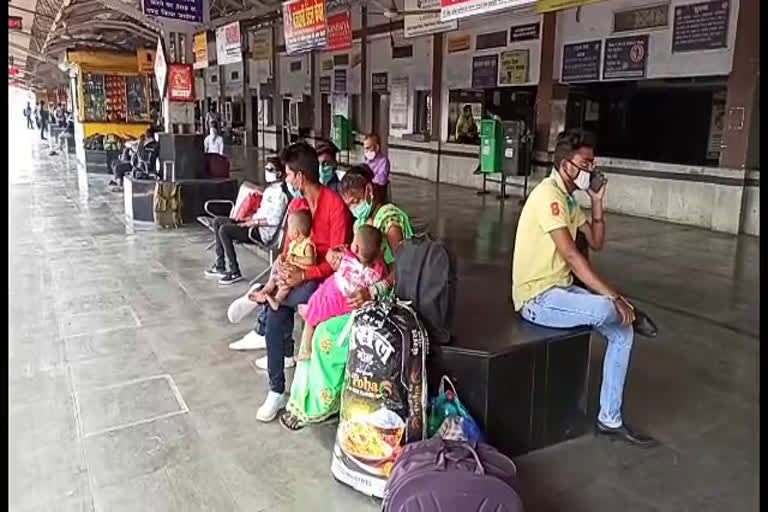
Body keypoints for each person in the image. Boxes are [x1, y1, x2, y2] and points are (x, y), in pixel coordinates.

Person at [511, 128, 655, 447]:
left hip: (561, 292)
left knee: (622, 332)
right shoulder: (548, 196)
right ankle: (628, 309)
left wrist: (597, 201)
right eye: (586, 163)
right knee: (606, 307)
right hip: (537, 297)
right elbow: (573, 256)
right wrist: (616, 298)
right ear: (566, 164)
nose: (592, 169)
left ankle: (609, 419)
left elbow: (597, 242)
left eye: (593, 163)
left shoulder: (568, 199)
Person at [279, 164, 413, 431]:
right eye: (349, 204)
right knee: (318, 323)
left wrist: (373, 291)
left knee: (326, 337)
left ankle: (320, 405)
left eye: (355, 201)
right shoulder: (364, 222)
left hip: (383, 299)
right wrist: (340, 257)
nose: (353, 208)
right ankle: (304, 401)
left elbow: (403, 269)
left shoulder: (390, 221)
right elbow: (358, 256)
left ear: (369, 191)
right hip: (359, 294)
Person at [227, 142, 352, 422]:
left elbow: (337, 263)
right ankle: (276, 387)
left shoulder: (335, 208)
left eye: (288, 174)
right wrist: (281, 267)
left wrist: (304, 274)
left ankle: (276, 388)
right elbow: (287, 246)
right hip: (297, 272)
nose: (286, 179)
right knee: (276, 307)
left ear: (300, 176)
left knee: (277, 309)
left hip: (324, 281)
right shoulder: (297, 204)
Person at [295, 225, 385, 362]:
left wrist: (337, 251)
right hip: (350, 305)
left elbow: (336, 252)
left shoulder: (348, 259)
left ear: (355, 248)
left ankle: (306, 348)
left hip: (334, 297)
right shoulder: (375, 273)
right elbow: (380, 270)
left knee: (314, 305)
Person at [205, 156, 290, 284]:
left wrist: (253, 223)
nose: (266, 171)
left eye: (270, 169)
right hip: (253, 224)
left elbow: (275, 220)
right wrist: (248, 220)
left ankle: (234, 271)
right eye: (266, 168)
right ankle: (220, 265)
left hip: (262, 232)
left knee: (224, 230)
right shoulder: (269, 190)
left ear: (278, 173)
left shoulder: (281, 194)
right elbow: (261, 211)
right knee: (218, 221)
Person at [257, 209, 316, 310]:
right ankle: (263, 292)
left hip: (298, 274)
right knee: (274, 278)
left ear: (296, 233)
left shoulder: (307, 245)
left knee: (285, 286)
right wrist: (283, 258)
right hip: (289, 270)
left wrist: (296, 259)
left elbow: (310, 261)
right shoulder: (293, 244)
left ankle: (277, 300)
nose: (287, 232)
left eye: (289, 229)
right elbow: (288, 256)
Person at [363, 133, 390, 204]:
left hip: (377, 194)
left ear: (377, 147)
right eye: (365, 148)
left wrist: (368, 182)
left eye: (368, 148)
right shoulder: (366, 161)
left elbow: (381, 180)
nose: (366, 151)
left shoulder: (383, 161)